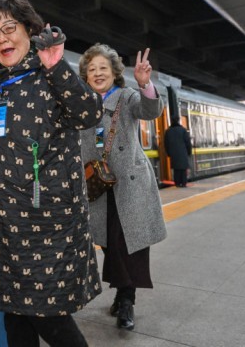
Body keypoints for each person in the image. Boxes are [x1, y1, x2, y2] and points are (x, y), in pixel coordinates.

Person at [0, 0, 103, 347]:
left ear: (29, 31)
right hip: (5, 221)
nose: (2, 38)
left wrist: (57, 66)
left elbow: (90, 113)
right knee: (14, 314)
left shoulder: (49, 74)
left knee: (48, 316)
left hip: (47, 219)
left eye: (9, 28)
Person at [78, 43, 167, 331]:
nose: (97, 73)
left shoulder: (127, 96)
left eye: (103, 68)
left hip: (129, 183)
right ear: (86, 75)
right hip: (98, 185)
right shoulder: (82, 103)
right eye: (92, 69)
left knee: (128, 242)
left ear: (114, 72)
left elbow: (150, 111)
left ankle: (127, 300)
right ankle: (122, 292)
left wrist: (145, 84)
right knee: (108, 242)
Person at [164, 116, 192, 187]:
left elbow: (166, 144)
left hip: (174, 154)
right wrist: (189, 152)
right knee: (183, 169)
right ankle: (183, 183)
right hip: (183, 152)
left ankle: (177, 183)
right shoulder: (183, 130)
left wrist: (168, 153)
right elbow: (188, 142)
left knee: (176, 169)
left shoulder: (168, 131)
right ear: (178, 121)